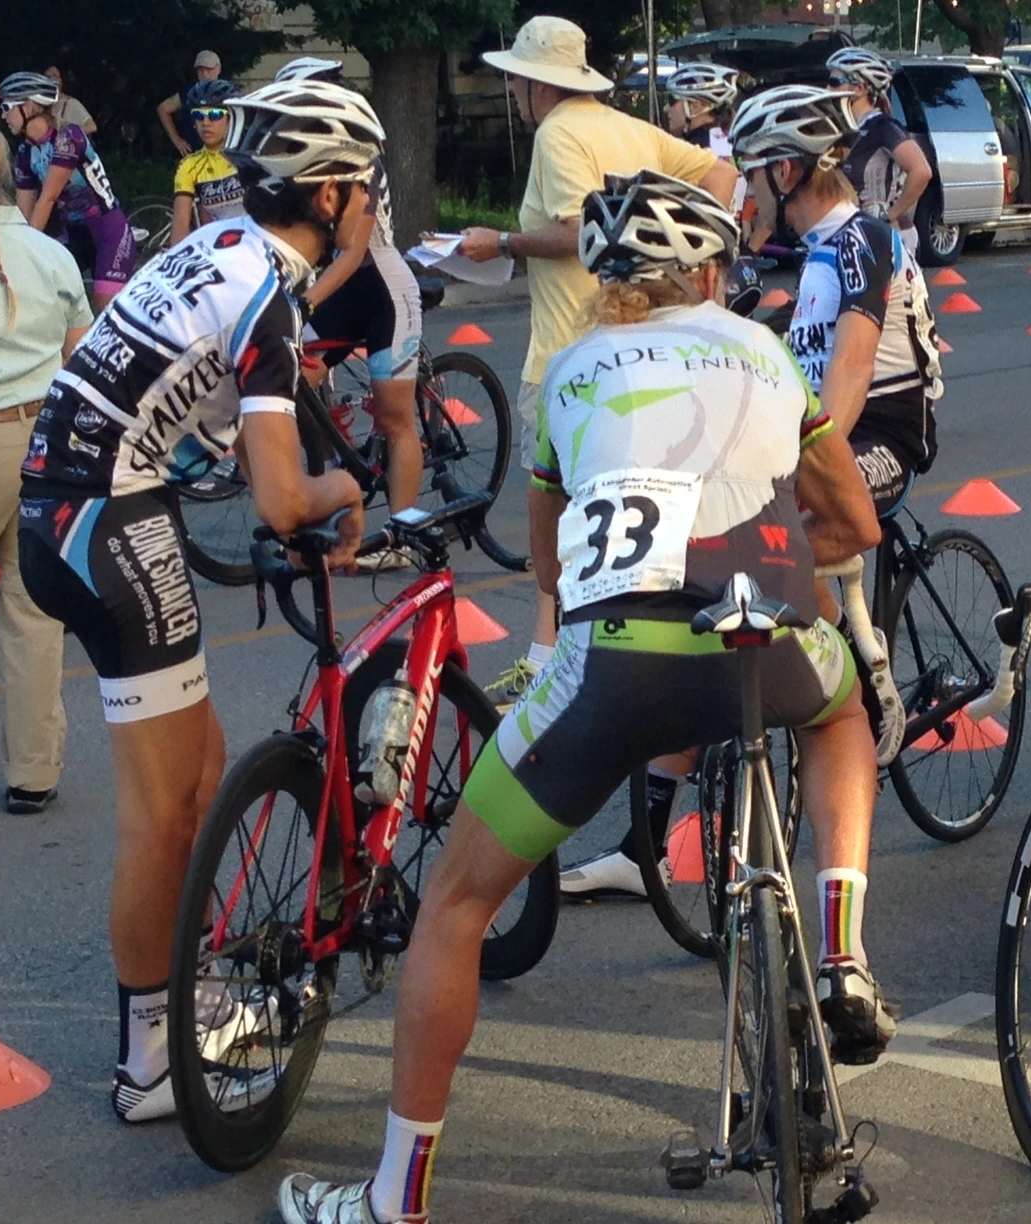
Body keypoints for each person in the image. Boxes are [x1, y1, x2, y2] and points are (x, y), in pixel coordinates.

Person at [275, 170, 887, 1224]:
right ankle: (839, 945)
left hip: (618, 668)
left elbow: (557, 571)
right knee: (842, 717)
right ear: (706, 272)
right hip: (769, 641)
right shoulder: (767, 350)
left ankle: (393, 1200)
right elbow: (858, 528)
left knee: (456, 906)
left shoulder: (569, 372)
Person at [16, 78, 384, 1122]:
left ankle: (184, 1005)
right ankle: (152, 1062)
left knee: (205, 771)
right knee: (165, 812)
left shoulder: (222, 244)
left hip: (80, 505)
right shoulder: (268, 286)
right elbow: (278, 501)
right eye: (366, 188)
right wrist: (348, 487)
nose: (372, 207)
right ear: (328, 195)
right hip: (106, 519)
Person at [456, 15, 738, 705]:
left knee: (552, 511)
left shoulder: (557, 135)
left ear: (531, 84)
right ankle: (632, 649)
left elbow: (569, 230)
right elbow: (722, 172)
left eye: (515, 81)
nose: (513, 92)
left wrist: (501, 243)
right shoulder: (620, 125)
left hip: (563, 353)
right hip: (635, 346)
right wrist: (696, 262)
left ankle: (549, 657)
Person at [731, 85, 942, 521]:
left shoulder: (862, 241)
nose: (749, 195)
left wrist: (808, 464)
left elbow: (852, 365)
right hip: (833, 424)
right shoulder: (822, 246)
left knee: (784, 533)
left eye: (750, 175)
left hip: (885, 437)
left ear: (784, 171)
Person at [274, 57, 424, 551]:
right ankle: (327, 480)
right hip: (342, 285)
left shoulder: (363, 160)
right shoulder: (306, 165)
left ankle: (403, 537)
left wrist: (302, 302)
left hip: (383, 289)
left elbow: (353, 249)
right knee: (294, 377)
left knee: (394, 420)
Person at [0, 129, 84, 814]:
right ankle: (33, 772)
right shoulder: (51, 253)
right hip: (39, 439)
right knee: (30, 607)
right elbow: (81, 359)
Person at [1, 72, 136, 311]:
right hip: (72, 234)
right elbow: (25, 213)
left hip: (107, 230)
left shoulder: (69, 136)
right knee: (54, 305)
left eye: (6, 106)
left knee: (106, 308)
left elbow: (48, 198)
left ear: (30, 106)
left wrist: (25, 251)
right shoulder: (25, 153)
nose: (2, 115)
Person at [826, 48, 933, 258]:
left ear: (859, 89)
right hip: (853, 234)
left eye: (835, 82)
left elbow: (922, 171)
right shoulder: (843, 129)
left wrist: (890, 213)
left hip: (886, 237)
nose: (827, 87)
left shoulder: (882, 126)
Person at [169, 78, 243, 244]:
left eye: (215, 115)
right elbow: (180, 224)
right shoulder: (189, 166)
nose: (206, 123)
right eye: (198, 115)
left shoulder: (250, 155)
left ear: (230, 119)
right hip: (219, 248)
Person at [663, 62, 739, 154]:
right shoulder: (733, 141)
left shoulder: (697, 153)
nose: (666, 108)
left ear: (696, 106)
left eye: (671, 100)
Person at [157, 49, 222, 156]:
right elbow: (163, 109)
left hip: (221, 156)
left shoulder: (229, 93)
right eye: (200, 70)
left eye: (209, 69)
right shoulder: (189, 93)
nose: (205, 74)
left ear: (218, 69)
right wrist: (177, 140)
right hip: (193, 155)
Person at [42, 66, 96, 136]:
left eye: (55, 76)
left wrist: (69, 138)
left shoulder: (70, 104)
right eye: (48, 77)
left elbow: (91, 126)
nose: (52, 79)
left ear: (61, 81)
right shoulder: (43, 107)